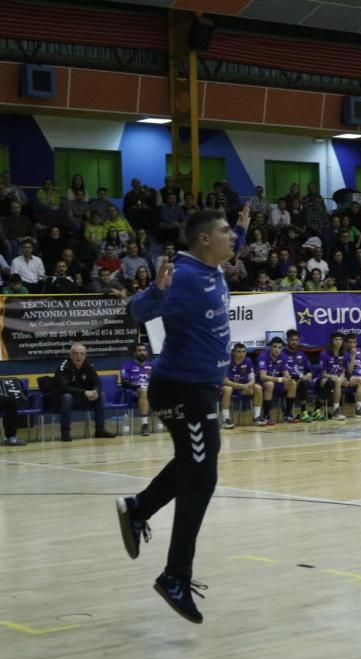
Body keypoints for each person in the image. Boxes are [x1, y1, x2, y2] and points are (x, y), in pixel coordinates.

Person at [116, 204, 249, 624]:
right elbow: (136, 312)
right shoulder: (186, 276)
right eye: (226, 231)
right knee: (202, 474)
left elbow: (233, 241)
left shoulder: (213, 266)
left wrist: (242, 226)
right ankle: (175, 575)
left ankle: (139, 508)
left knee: (198, 462)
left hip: (200, 390)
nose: (233, 238)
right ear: (205, 239)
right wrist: (155, 291)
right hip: (180, 389)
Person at [54, 343, 116, 442]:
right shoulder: (63, 367)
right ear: (70, 355)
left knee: (101, 395)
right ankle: (65, 433)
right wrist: (84, 392)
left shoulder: (89, 366)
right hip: (64, 401)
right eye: (76, 353)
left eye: (82, 354)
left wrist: (95, 391)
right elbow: (63, 388)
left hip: (83, 399)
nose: (79, 356)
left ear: (85, 355)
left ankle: (100, 430)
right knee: (67, 397)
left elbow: (97, 382)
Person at [220, 343, 264, 428]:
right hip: (230, 386)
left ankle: (257, 417)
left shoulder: (248, 361)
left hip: (243, 387)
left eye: (244, 352)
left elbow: (252, 380)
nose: (241, 354)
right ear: (233, 352)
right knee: (227, 389)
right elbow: (224, 380)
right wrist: (241, 386)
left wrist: (248, 385)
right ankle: (226, 420)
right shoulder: (227, 360)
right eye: (239, 352)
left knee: (258, 388)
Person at [257, 336, 292, 425]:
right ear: (270, 347)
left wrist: (288, 377)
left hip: (276, 382)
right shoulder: (263, 356)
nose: (277, 349)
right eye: (275, 346)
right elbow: (263, 377)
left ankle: (287, 414)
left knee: (293, 383)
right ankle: (266, 415)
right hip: (262, 383)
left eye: (279, 347)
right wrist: (280, 379)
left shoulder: (283, 357)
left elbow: (285, 373)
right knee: (269, 384)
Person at [121, 344, 154, 436]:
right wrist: (137, 387)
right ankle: (144, 425)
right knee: (143, 390)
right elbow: (124, 383)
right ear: (134, 353)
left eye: (144, 350)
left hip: (152, 392)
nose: (142, 352)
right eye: (139, 350)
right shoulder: (127, 365)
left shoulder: (152, 366)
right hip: (134, 392)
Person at [316, 332, 348, 421]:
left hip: (338, 379)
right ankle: (335, 411)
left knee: (342, 381)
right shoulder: (324, 354)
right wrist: (333, 377)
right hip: (325, 379)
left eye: (340, 339)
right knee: (337, 381)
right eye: (336, 339)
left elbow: (343, 371)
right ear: (331, 341)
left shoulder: (345, 355)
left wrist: (342, 378)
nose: (338, 342)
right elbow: (323, 373)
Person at [284, 329, 314, 422]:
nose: (294, 342)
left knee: (304, 382)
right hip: (289, 381)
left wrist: (309, 374)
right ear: (287, 340)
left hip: (302, 380)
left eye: (296, 340)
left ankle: (304, 412)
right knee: (300, 382)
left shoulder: (302, 354)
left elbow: (309, 370)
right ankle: (294, 412)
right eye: (292, 340)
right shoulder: (282, 354)